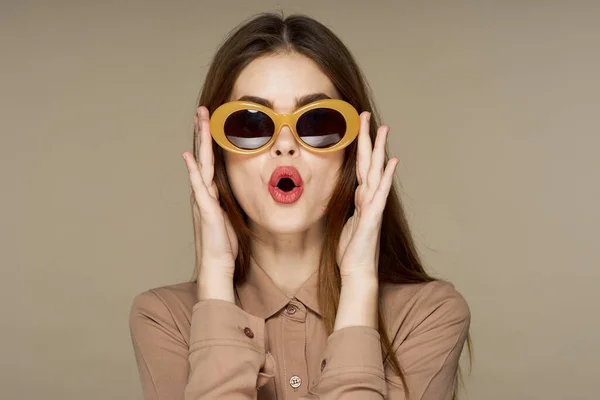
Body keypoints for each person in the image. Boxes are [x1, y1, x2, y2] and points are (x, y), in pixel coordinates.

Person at [129, 12, 471, 400]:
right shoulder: (165, 318)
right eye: (251, 124)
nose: (285, 143)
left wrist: (359, 281)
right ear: (216, 151)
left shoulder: (427, 315)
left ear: (355, 148)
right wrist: (215, 277)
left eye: (317, 121)